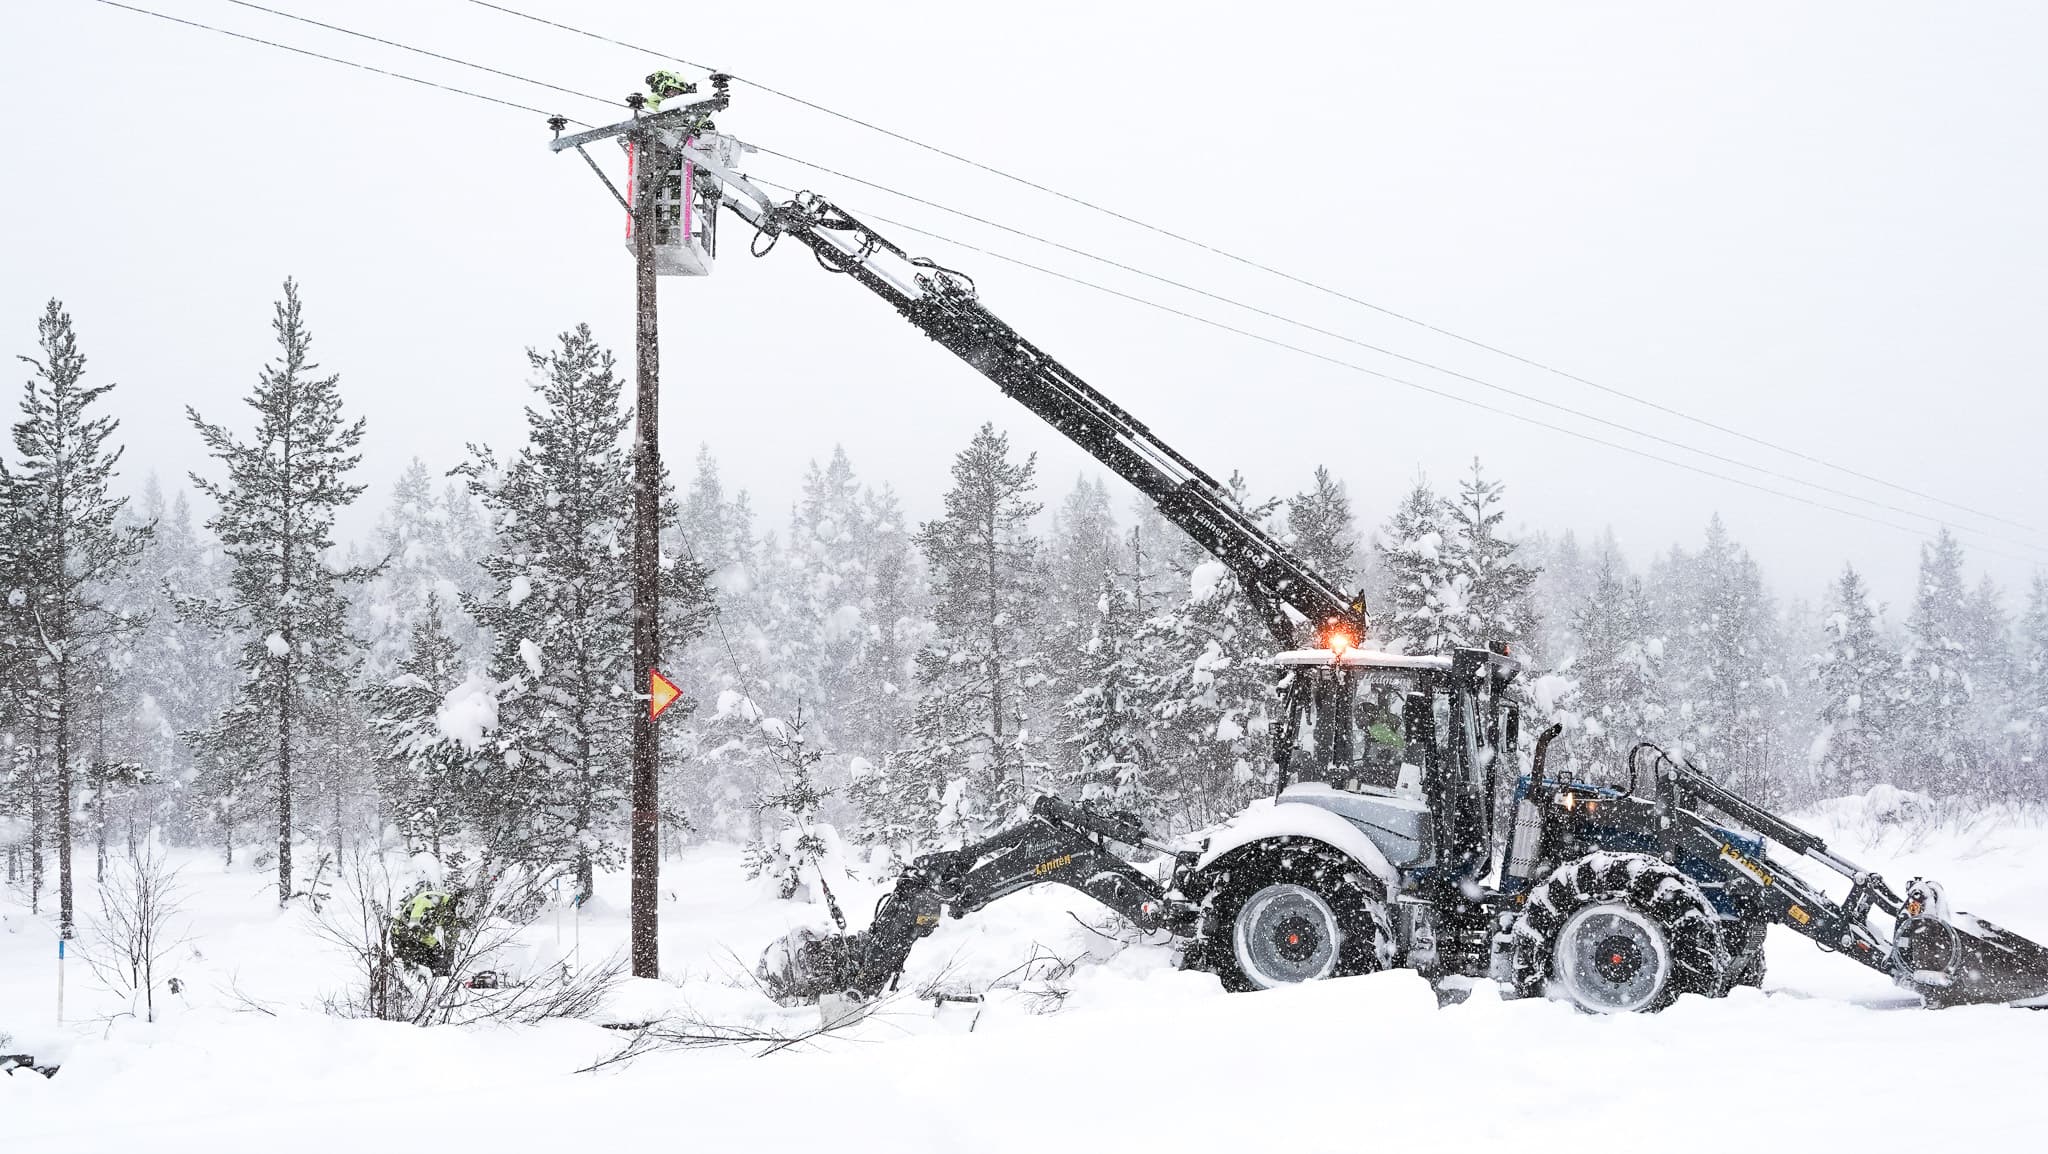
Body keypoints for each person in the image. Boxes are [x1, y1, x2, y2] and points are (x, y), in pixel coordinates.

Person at [392, 884, 459, 976]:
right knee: (436, 957)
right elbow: (415, 926)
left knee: (434, 959)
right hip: (405, 937)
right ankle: (439, 979)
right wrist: (434, 943)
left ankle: (438, 979)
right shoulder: (429, 901)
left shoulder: (437, 905)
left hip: (403, 937)